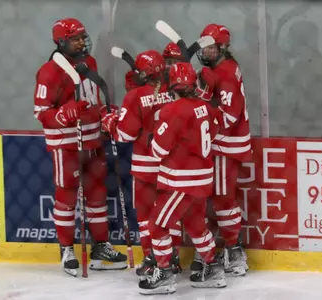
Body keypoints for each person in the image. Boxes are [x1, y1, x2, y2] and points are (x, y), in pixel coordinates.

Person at [33, 17, 127, 277]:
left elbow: (91, 100)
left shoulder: (89, 63)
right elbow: (41, 112)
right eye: (74, 38)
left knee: (97, 194)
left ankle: (100, 247)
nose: (80, 42)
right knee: (67, 196)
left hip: (92, 140)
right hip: (67, 145)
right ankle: (66, 249)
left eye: (81, 37)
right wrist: (64, 114)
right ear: (61, 42)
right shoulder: (50, 71)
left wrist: (104, 112)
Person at [138, 62, 225, 295]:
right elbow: (214, 132)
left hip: (180, 181)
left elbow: (158, 151)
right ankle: (213, 268)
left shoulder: (174, 110)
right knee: (196, 226)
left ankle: (164, 273)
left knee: (157, 225)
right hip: (202, 179)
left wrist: (151, 141)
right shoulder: (206, 107)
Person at [99, 50, 181, 278]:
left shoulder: (135, 96)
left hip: (146, 166)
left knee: (146, 216)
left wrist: (110, 122)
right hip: (170, 166)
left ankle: (151, 258)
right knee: (167, 215)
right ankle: (171, 257)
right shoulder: (173, 91)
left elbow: (125, 134)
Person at [191, 23, 252, 277]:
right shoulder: (221, 68)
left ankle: (233, 249)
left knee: (222, 199)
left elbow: (228, 116)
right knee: (212, 196)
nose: (205, 51)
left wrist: (202, 109)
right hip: (222, 144)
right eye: (203, 45)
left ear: (223, 48)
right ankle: (215, 248)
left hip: (225, 146)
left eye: (210, 47)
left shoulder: (225, 73)